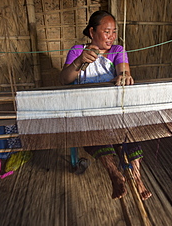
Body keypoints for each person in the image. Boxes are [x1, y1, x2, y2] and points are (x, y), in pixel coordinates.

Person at [59, 10, 152, 201]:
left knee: (128, 133)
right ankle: (114, 174)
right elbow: (64, 80)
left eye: (114, 32)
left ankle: (137, 178)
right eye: (107, 31)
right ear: (92, 32)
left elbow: (124, 71)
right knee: (95, 134)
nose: (111, 36)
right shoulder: (78, 51)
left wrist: (124, 76)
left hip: (112, 107)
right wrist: (78, 62)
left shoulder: (118, 50)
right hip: (87, 109)